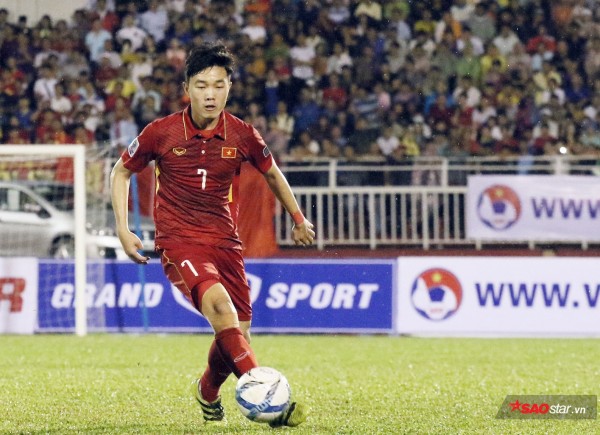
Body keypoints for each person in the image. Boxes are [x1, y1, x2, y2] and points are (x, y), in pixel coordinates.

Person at [110, 42, 313, 427]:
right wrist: (123, 228)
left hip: (225, 242)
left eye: (219, 85)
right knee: (221, 310)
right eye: (202, 85)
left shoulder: (242, 134)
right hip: (179, 241)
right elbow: (121, 171)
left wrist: (298, 217)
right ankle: (270, 402)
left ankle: (207, 390)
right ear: (187, 87)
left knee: (237, 335)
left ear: (229, 88)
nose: (210, 94)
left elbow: (272, 172)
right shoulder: (162, 132)